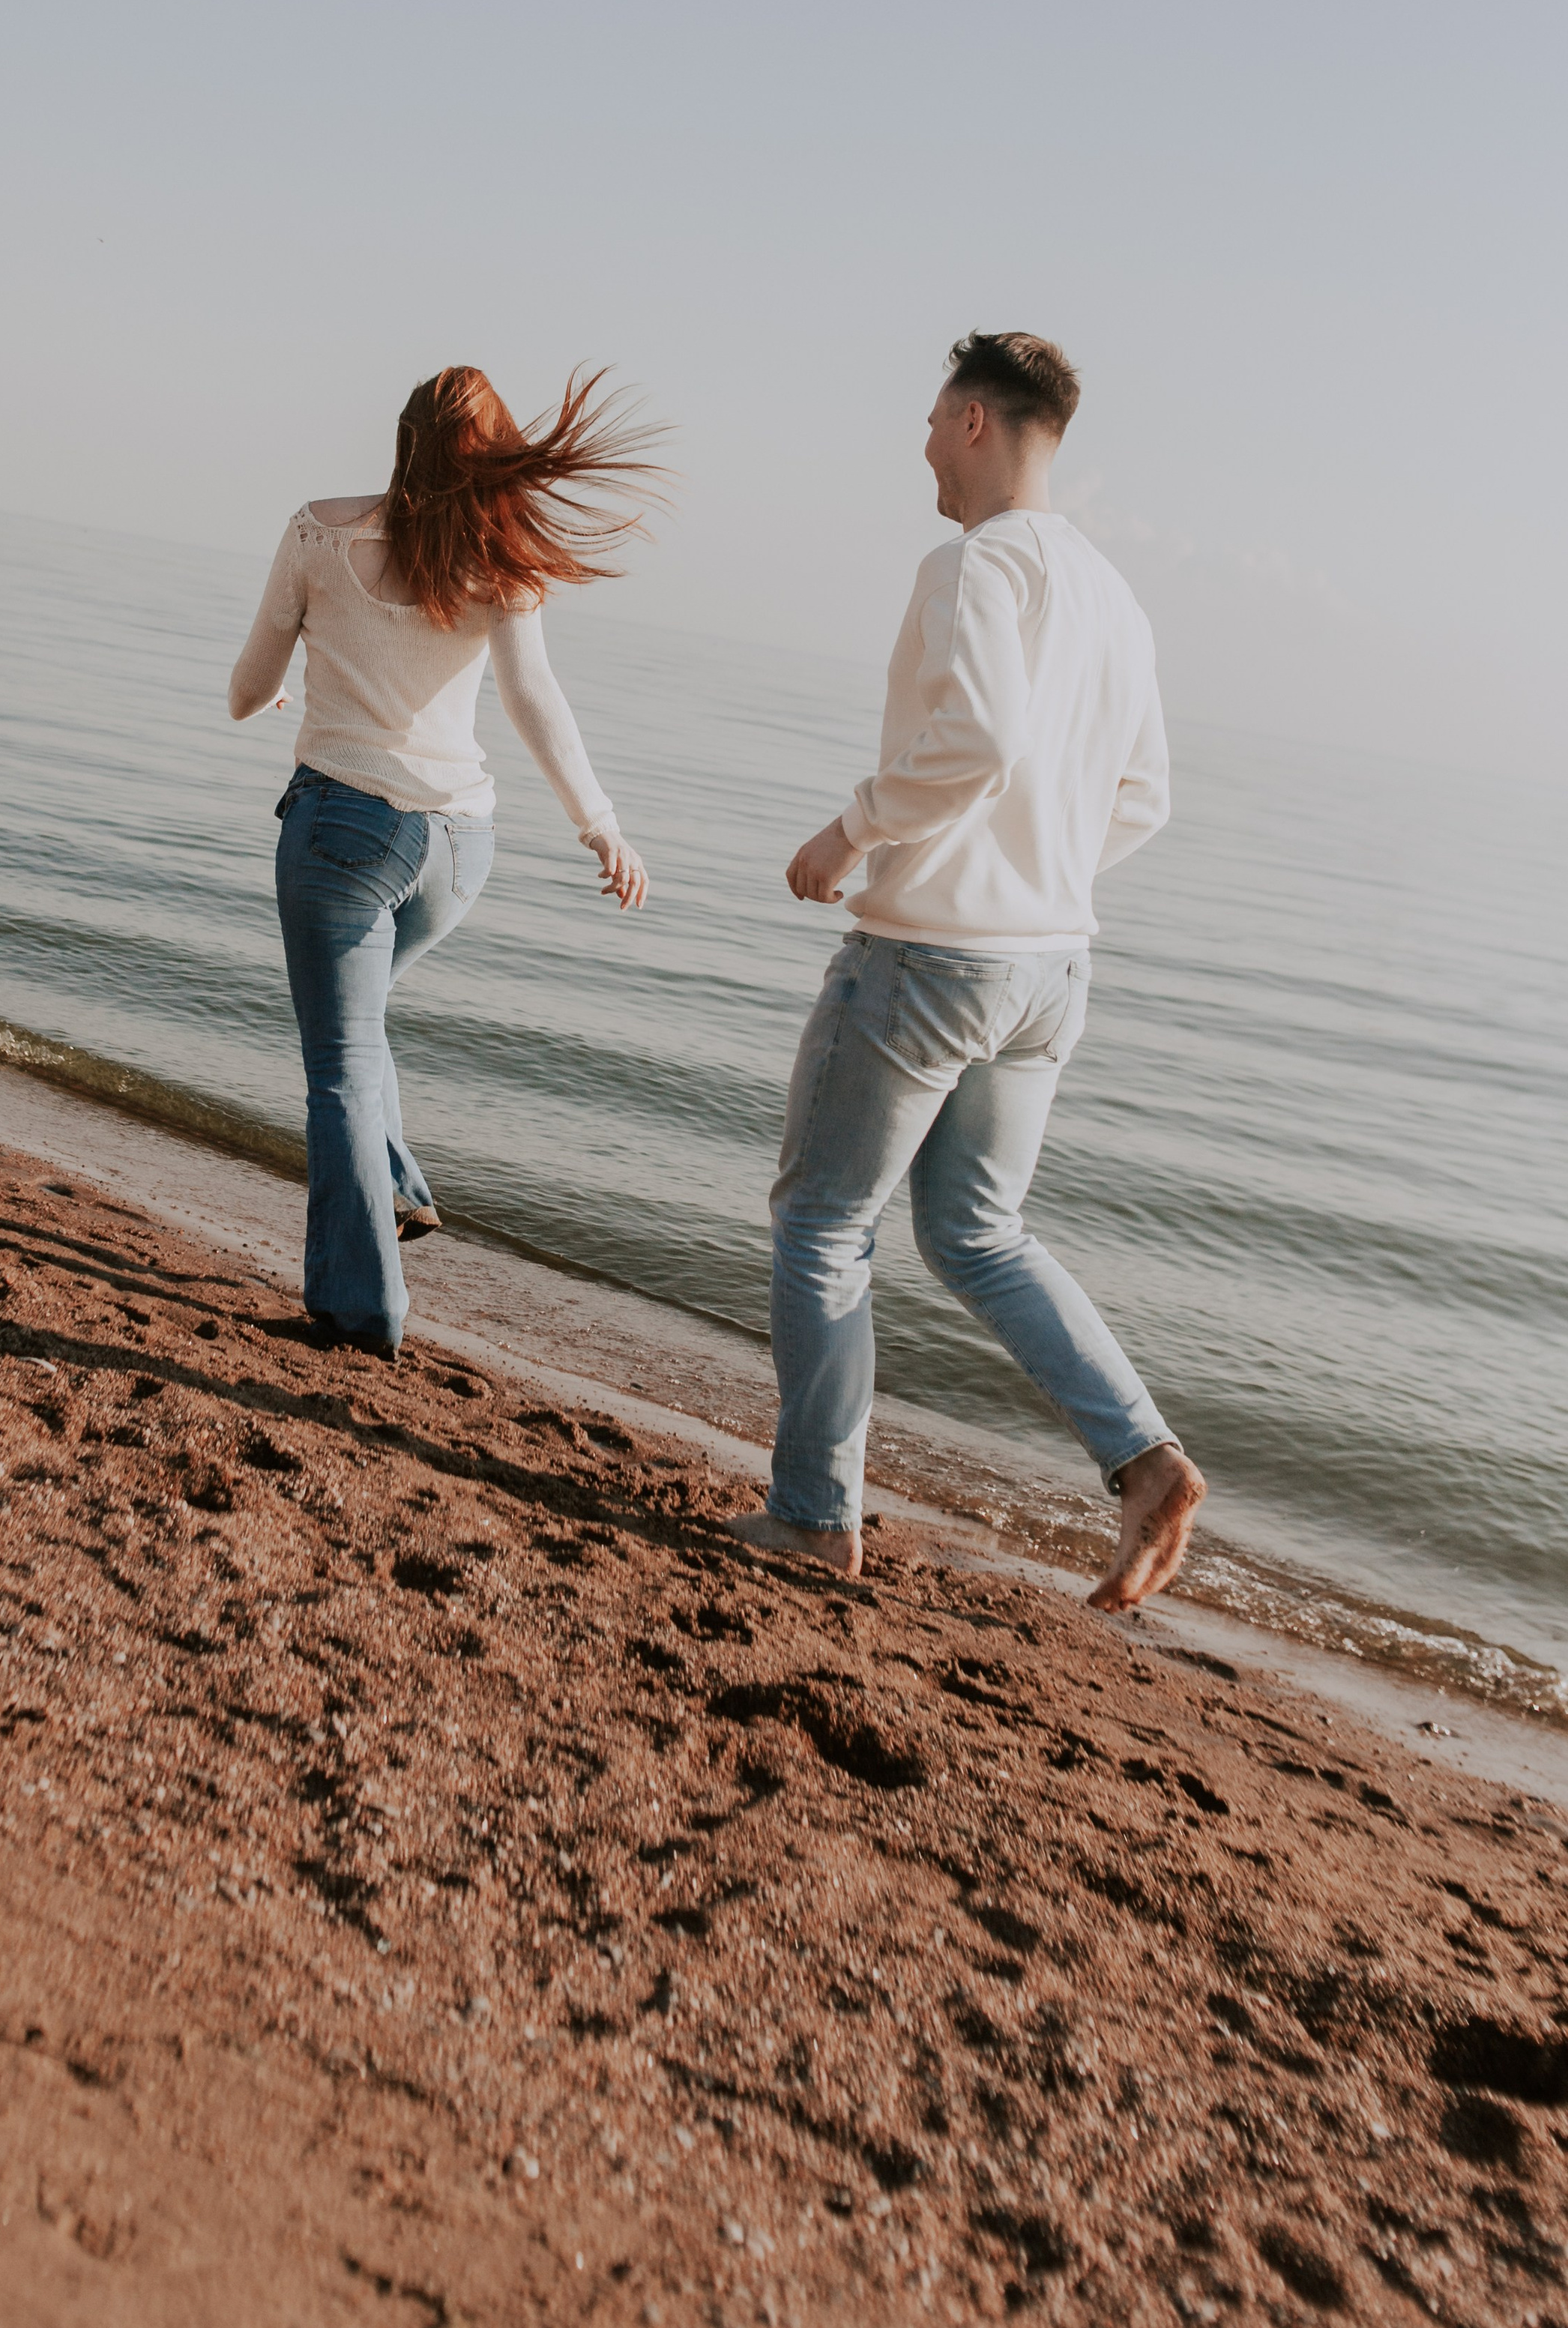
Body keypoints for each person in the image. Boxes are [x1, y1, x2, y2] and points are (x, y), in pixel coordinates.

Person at [729, 331, 1205, 1611]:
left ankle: (815, 1516)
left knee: (824, 1222)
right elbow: (1145, 794)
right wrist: (1041, 868)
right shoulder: (1113, 593)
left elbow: (981, 737)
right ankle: (1145, 1457)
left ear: (979, 420)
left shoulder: (974, 562)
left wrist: (855, 829)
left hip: (934, 957)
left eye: (937, 419)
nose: (926, 444)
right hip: (1052, 966)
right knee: (977, 1230)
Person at [229, 365, 660, 1363]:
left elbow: (248, 686)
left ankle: (359, 1313)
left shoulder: (316, 533)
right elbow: (533, 698)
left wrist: (276, 695)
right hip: (460, 851)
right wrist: (602, 826)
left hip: (344, 832)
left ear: (401, 440)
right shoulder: (503, 563)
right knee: (358, 1026)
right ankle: (404, 1191)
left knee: (336, 1069)